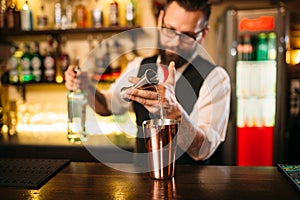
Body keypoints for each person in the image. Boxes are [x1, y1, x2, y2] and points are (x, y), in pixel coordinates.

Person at [65, 0, 231, 165]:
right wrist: (87, 87)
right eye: (170, 30)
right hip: (143, 184)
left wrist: (174, 113)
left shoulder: (215, 78)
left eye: (187, 36)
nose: (174, 42)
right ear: (160, 21)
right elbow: (106, 106)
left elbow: (203, 151)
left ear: (203, 34)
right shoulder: (138, 67)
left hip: (193, 187)